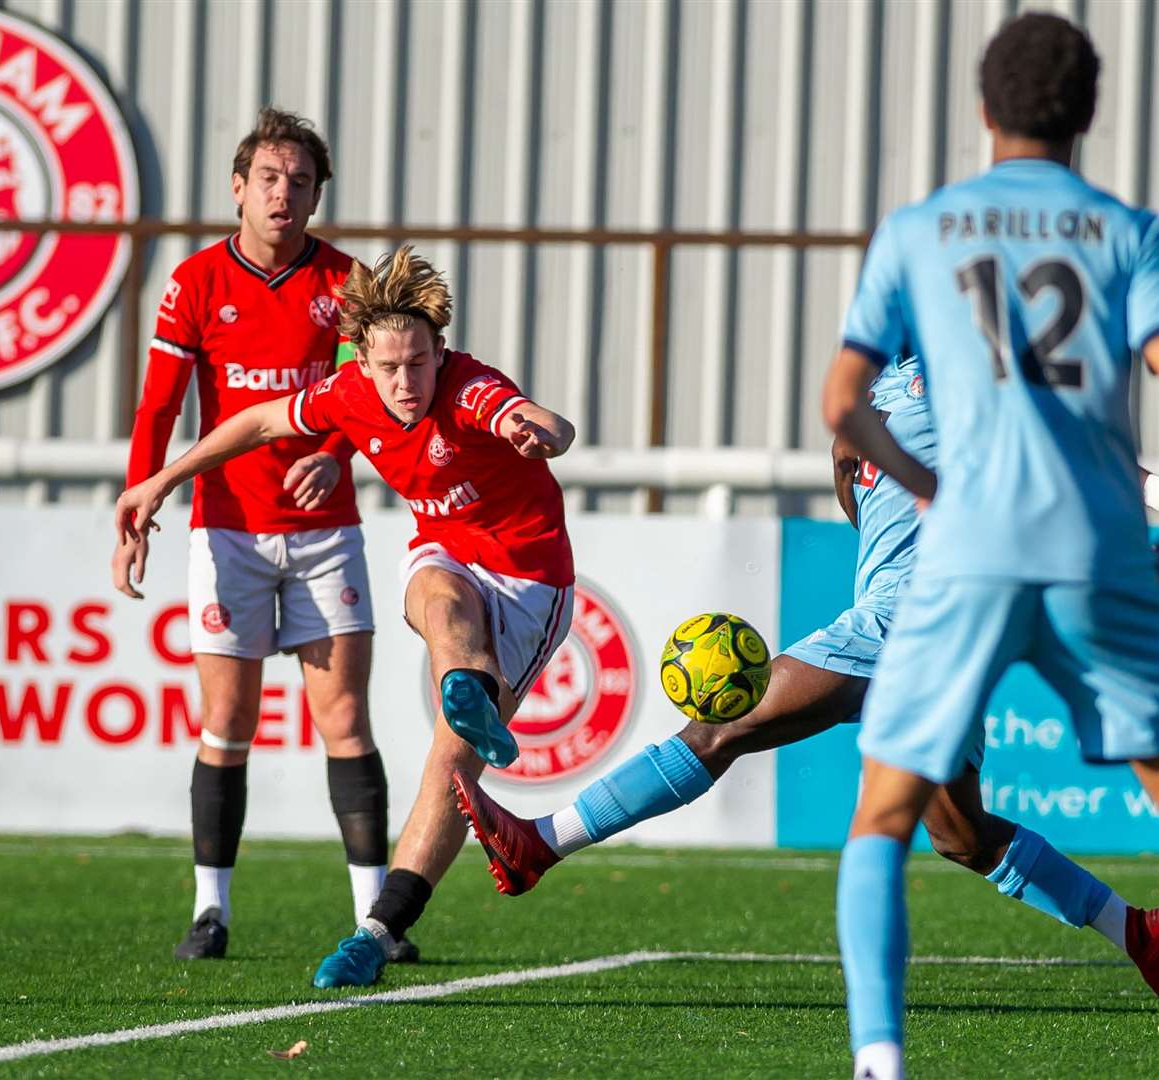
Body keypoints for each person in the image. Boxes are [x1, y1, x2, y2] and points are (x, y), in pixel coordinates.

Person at [452, 352, 1159, 988]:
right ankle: (1136, 933)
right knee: (960, 836)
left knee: (721, 729)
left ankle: (539, 844)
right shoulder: (884, 384)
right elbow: (849, 470)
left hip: (912, 622)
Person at [819, 15, 1159, 1079]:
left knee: (884, 812)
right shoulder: (1125, 230)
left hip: (966, 548)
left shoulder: (920, 228)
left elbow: (841, 403)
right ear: (1089, 116)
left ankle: (879, 1062)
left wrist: (928, 490)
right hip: (1095, 544)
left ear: (982, 109)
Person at [114, 245, 577, 989]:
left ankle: (379, 926)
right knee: (433, 588)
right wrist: (159, 482)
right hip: (448, 557)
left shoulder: (469, 389)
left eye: (418, 364)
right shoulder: (352, 393)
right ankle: (469, 688)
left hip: (528, 585)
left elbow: (536, 419)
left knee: (447, 772)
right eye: (389, 366)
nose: (404, 383)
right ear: (361, 359)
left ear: (440, 353)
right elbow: (260, 421)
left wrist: (541, 430)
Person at [112, 107, 407, 963]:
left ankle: (374, 922)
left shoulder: (348, 284)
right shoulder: (197, 282)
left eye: (301, 182)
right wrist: (138, 508)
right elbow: (158, 405)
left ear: (318, 197)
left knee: (344, 717)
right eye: (269, 179)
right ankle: (211, 913)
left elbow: (385, 390)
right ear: (238, 188)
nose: (284, 195)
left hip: (324, 534)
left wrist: (338, 448)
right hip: (227, 533)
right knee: (226, 721)